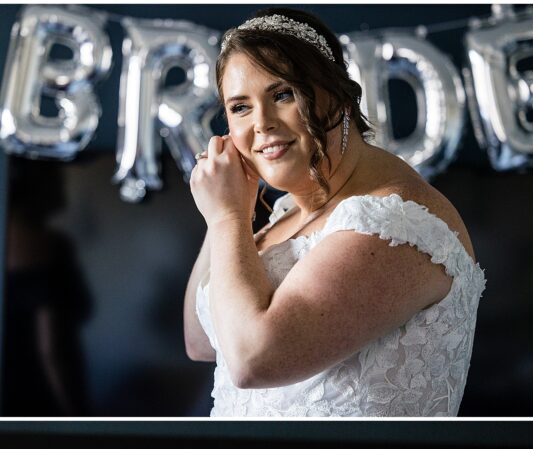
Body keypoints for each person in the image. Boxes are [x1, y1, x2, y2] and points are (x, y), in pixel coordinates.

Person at [184, 8, 485, 418]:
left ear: (338, 95)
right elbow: (201, 341)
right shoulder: (293, 212)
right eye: (240, 107)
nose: (262, 124)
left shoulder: (392, 225)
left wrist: (227, 219)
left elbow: (252, 359)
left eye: (283, 95)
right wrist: (231, 206)